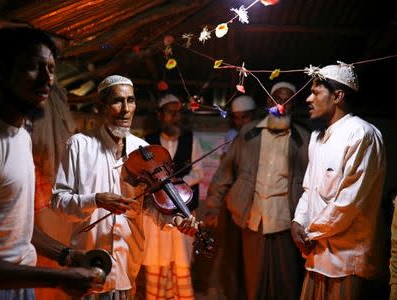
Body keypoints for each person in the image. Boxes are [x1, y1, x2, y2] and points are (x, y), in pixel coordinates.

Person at [0, 26, 102, 299]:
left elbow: (17, 230)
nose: (47, 79)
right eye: (34, 67)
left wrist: (66, 256)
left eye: (51, 69)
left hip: (17, 288)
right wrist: (57, 279)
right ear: (2, 70)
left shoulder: (20, 135)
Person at [51, 76, 199, 300]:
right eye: (117, 101)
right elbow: (59, 202)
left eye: (130, 101)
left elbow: (150, 205)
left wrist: (176, 221)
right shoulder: (79, 145)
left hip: (126, 265)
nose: (125, 109)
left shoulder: (144, 150)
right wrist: (96, 200)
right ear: (101, 106)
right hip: (87, 264)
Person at [291, 62, 387, 299]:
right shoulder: (317, 137)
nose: (308, 99)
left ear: (337, 96)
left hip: (346, 260)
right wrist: (297, 222)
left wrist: (309, 233)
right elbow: (309, 189)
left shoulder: (362, 134)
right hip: (315, 255)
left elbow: (350, 202)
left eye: (315, 92)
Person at [205, 81, 309, 299]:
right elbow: (225, 172)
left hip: (286, 222)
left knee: (287, 284)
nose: (283, 104)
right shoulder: (248, 133)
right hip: (253, 219)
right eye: (278, 98)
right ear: (269, 102)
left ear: (294, 106)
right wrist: (213, 207)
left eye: (288, 99)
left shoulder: (303, 139)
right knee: (255, 284)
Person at [141, 94, 204, 299]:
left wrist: (176, 185)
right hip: (155, 214)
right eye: (171, 113)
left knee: (181, 260)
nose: (176, 117)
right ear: (160, 115)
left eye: (178, 113)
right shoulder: (147, 142)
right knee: (156, 258)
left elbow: (199, 172)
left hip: (182, 212)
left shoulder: (190, 139)